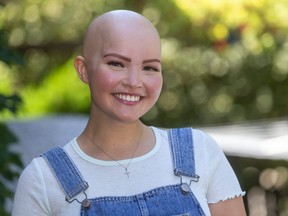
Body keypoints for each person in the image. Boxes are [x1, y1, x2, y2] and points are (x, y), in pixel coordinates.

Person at [12, 10, 246, 216]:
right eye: (116, 64)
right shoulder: (43, 179)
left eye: (149, 68)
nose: (134, 82)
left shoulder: (199, 152)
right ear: (83, 70)